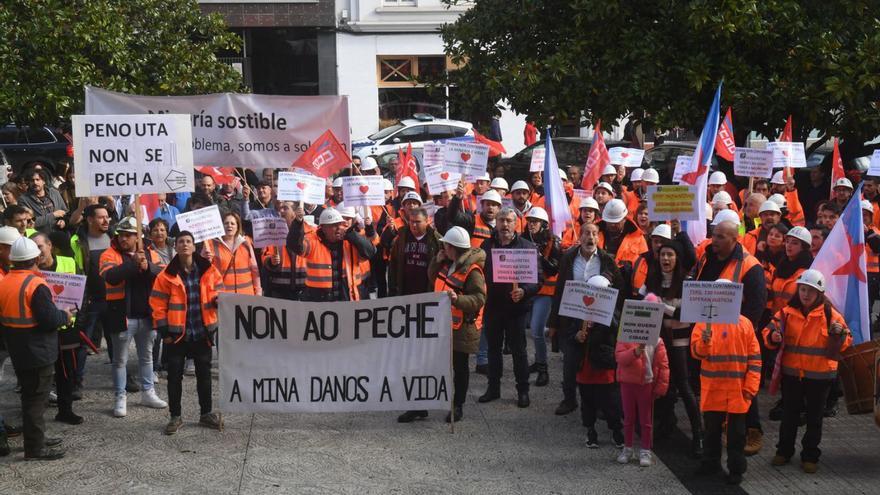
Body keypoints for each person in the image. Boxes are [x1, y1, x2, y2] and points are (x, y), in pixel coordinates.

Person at [763, 269, 852, 474]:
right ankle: (784, 452)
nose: (805, 294)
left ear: (819, 293)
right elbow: (768, 330)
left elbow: (847, 342)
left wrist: (839, 336)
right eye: (803, 289)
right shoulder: (786, 313)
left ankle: (810, 456)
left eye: (810, 291)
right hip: (793, 374)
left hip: (820, 377)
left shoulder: (831, 315)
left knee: (814, 418)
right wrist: (773, 337)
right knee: (789, 416)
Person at [694, 220, 767, 455]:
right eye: (714, 235)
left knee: (743, 384)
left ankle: (752, 429)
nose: (714, 240)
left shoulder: (750, 266)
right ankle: (722, 425)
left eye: (721, 237)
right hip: (709, 330)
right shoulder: (708, 256)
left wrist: (741, 332)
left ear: (735, 239)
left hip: (737, 336)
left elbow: (756, 305)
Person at [0, 237, 74, 460]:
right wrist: (66, 316)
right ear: (35, 258)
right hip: (37, 350)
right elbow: (49, 319)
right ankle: (35, 448)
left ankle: (35, 439)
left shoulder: (5, 281)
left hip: (17, 348)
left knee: (29, 397)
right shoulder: (35, 284)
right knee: (36, 400)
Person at [150, 231, 224, 435]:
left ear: (194, 247)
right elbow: (157, 303)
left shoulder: (209, 270)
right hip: (176, 335)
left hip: (202, 332)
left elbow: (219, 290)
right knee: (174, 377)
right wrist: (163, 330)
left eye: (188, 242)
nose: (184, 245)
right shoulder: (166, 275)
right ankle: (175, 416)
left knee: (204, 375)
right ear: (176, 247)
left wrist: (219, 300)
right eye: (181, 241)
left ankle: (206, 413)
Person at [549, 222, 623, 416]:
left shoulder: (607, 260)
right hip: (572, 317)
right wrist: (553, 322)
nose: (590, 237)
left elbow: (618, 287)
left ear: (599, 238)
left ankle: (596, 403)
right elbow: (559, 290)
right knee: (570, 361)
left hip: (598, 320)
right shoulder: (569, 258)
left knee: (595, 360)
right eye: (587, 234)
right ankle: (569, 399)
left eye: (594, 234)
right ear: (579, 237)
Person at [99, 216, 167, 417]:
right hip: (121, 315)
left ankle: (148, 392)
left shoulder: (151, 254)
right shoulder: (108, 254)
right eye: (121, 234)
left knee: (146, 357)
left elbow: (162, 276)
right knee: (120, 360)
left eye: (128, 235)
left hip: (146, 314)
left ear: (138, 236)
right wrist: (132, 264)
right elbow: (110, 277)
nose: (123, 239)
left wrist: (147, 268)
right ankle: (120, 396)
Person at [691, 296, 762, 486]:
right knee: (711, 431)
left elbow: (755, 359)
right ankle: (710, 463)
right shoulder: (704, 323)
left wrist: (750, 388)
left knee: (737, 436)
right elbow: (696, 353)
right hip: (714, 389)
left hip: (737, 392)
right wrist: (704, 342)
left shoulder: (744, 324)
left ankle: (736, 470)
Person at [642, 240, 703, 457]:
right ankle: (665, 424)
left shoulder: (687, 282)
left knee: (684, 387)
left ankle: (699, 434)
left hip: (679, 342)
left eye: (670, 255)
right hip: (657, 341)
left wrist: (661, 306)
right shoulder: (651, 279)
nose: (666, 259)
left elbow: (685, 314)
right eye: (662, 255)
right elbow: (641, 304)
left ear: (677, 259)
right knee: (661, 385)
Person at [423, 226, 487, 423]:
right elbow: (433, 278)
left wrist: (457, 299)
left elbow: (478, 299)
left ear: (453, 247)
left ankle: (457, 405)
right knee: (430, 366)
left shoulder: (473, 271)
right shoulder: (448, 263)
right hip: (441, 324)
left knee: (459, 369)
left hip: (460, 329)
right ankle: (421, 405)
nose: (443, 248)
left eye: (446, 246)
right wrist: (437, 261)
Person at [478, 207, 540, 407]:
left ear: (516, 224)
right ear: (496, 223)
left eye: (509, 221)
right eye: (501, 220)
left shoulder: (527, 247)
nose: (505, 224)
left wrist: (524, 291)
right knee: (494, 350)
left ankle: (523, 390)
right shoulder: (486, 245)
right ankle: (493, 388)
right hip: (493, 307)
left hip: (516, 309)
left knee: (519, 351)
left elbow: (538, 280)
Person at [31, 232, 83, 424]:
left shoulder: (68, 262)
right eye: (33, 248)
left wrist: (80, 319)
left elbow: (81, 290)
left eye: (40, 247)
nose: (38, 252)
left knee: (67, 372)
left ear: (50, 245)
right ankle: (35, 414)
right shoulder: (30, 269)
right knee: (40, 374)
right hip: (41, 329)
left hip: (67, 327)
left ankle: (65, 410)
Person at [572, 275, 624, 449]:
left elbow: (614, 331)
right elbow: (570, 330)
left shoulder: (611, 314)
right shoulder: (580, 310)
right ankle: (591, 431)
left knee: (611, 401)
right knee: (587, 401)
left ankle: (617, 430)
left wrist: (595, 329)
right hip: (584, 365)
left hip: (603, 366)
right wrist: (577, 335)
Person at [614, 304, 669, 468]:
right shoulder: (624, 337)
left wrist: (660, 387)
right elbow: (620, 359)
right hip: (627, 383)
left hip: (646, 383)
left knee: (646, 420)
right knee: (628, 418)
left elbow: (663, 365)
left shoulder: (657, 341)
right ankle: (628, 448)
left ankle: (645, 450)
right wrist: (635, 352)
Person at [69, 204, 114, 396]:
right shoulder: (77, 241)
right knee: (82, 343)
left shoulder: (114, 237)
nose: (106, 221)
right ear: (89, 219)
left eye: (107, 217)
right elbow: (75, 271)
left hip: (112, 299)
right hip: (89, 300)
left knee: (115, 341)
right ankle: (76, 382)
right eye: (101, 217)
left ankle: (121, 377)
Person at [288, 207, 376, 302]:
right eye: (333, 225)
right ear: (323, 228)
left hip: (347, 299)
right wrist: (297, 223)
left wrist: (352, 235)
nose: (339, 228)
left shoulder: (350, 241)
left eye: (340, 224)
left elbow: (370, 252)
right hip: (319, 300)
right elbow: (295, 245)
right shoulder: (313, 241)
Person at [522, 207, 560, 387]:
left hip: (544, 292)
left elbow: (554, 268)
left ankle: (543, 368)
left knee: (537, 330)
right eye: (529, 221)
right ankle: (538, 361)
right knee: (525, 330)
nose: (531, 224)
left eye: (535, 221)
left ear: (544, 224)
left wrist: (538, 256)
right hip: (526, 289)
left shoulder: (553, 241)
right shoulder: (522, 239)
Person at [202, 211, 262, 296]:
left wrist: (258, 291)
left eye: (232, 223)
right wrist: (205, 259)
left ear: (237, 227)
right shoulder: (210, 244)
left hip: (247, 296)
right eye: (226, 223)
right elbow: (204, 271)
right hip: (223, 297)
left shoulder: (246, 243)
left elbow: (254, 270)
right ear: (221, 226)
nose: (229, 225)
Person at [17, 168, 68, 234]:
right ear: (29, 183)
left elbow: (65, 212)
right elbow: (28, 222)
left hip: (58, 234)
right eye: (32, 180)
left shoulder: (54, 193)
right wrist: (53, 215)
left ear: (44, 181)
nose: (35, 182)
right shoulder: (24, 199)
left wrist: (63, 221)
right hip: (39, 237)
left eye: (37, 179)